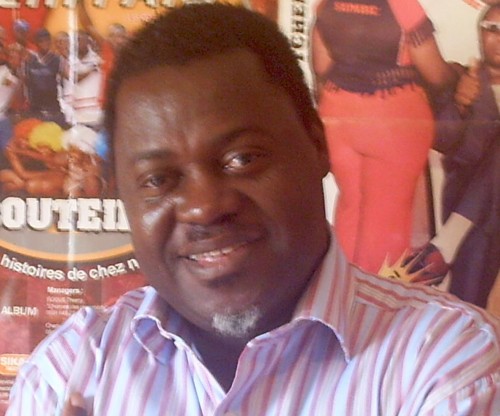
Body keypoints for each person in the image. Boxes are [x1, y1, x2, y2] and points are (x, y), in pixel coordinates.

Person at [6, 4, 500, 415]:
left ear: (316, 145)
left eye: (242, 159)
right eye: (158, 180)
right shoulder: (71, 372)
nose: (204, 208)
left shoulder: (447, 361)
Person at [311, 0, 459, 275]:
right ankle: (373, 298)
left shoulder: (326, 2)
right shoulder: (402, 4)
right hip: (393, 120)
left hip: (338, 116)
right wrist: (458, 74)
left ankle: (341, 290)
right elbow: (436, 73)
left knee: (351, 206)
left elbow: (321, 65)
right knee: (386, 221)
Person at [405, 5, 500, 308]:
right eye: (492, 29)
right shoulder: (459, 77)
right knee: (470, 293)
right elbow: (441, 141)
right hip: (465, 195)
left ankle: (445, 245)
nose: (499, 39)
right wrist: (459, 104)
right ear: (480, 33)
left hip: (475, 214)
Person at [22, 28, 67, 126]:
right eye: (41, 41)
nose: (44, 43)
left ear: (50, 42)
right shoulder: (29, 60)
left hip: (54, 109)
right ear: (36, 43)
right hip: (35, 110)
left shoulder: (58, 59)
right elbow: (25, 83)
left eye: (47, 40)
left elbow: (66, 81)